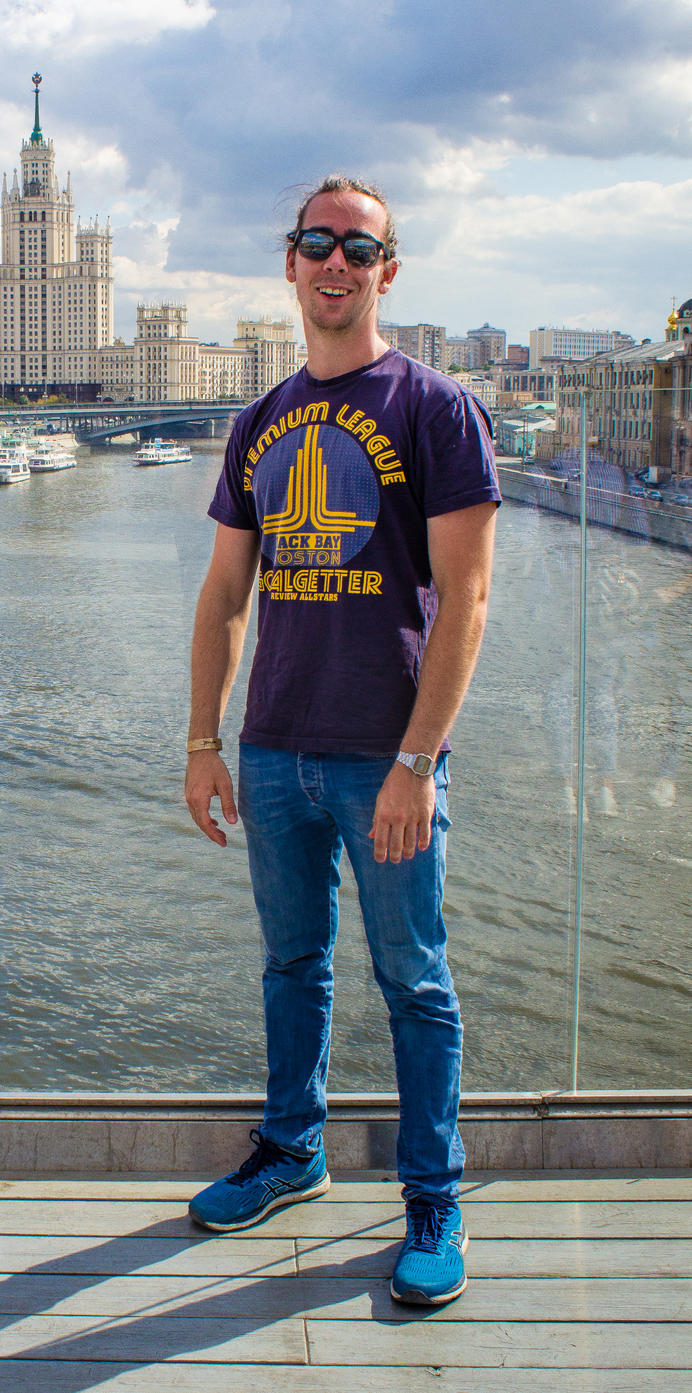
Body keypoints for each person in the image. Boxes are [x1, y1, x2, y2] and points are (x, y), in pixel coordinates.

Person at [184, 176, 498, 1309]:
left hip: (385, 754)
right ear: (289, 261)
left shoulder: (436, 407)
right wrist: (202, 740)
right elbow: (226, 592)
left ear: (385, 272)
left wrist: (417, 761)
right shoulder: (258, 420)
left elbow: (465, 600)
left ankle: (432, 1196)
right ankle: (291, 1149)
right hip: (274, 747)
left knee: (413, 977)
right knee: (290, 965)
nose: (334, 262)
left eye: (356, 248)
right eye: (316, 243)